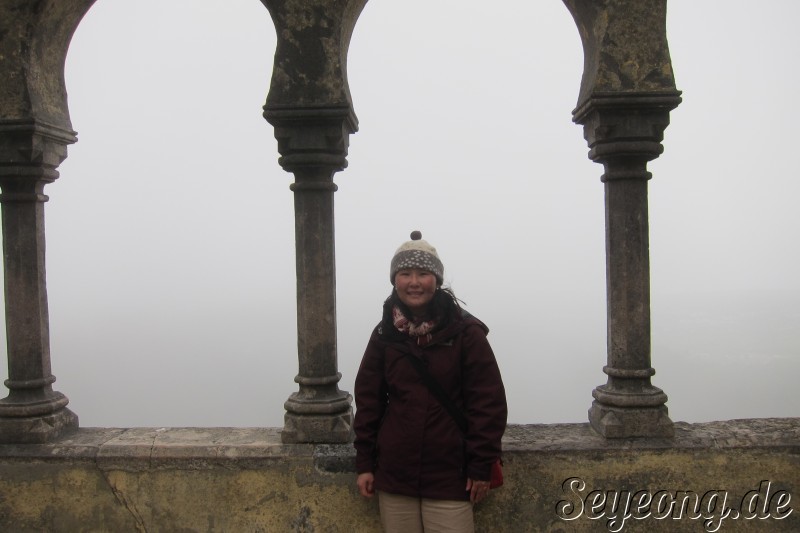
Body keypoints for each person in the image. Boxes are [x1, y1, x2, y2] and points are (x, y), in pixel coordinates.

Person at [354, 231, 508, 533]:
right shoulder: (385, 334)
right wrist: (365, 464)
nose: (414, 282)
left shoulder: (465, 333)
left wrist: (480, 466)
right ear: (394, 280)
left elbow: (487, 403)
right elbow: (369, 401)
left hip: (451, 473)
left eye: (423, 273)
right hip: (395, 471)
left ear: (436, 280)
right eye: (405, 273)